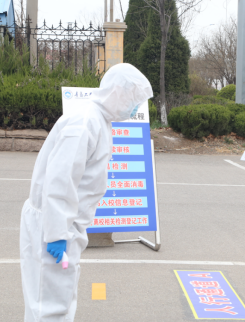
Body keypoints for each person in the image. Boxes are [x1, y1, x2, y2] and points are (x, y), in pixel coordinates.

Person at [20, 63, 153, 322]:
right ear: (117, 92)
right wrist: (57, 234)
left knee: (57, 299)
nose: (135, 108)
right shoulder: (84, 122)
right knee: (50, 305)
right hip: (54, 228)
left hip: (64, 226)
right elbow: (60, 181)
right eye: (133, 100)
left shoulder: (98, 120)